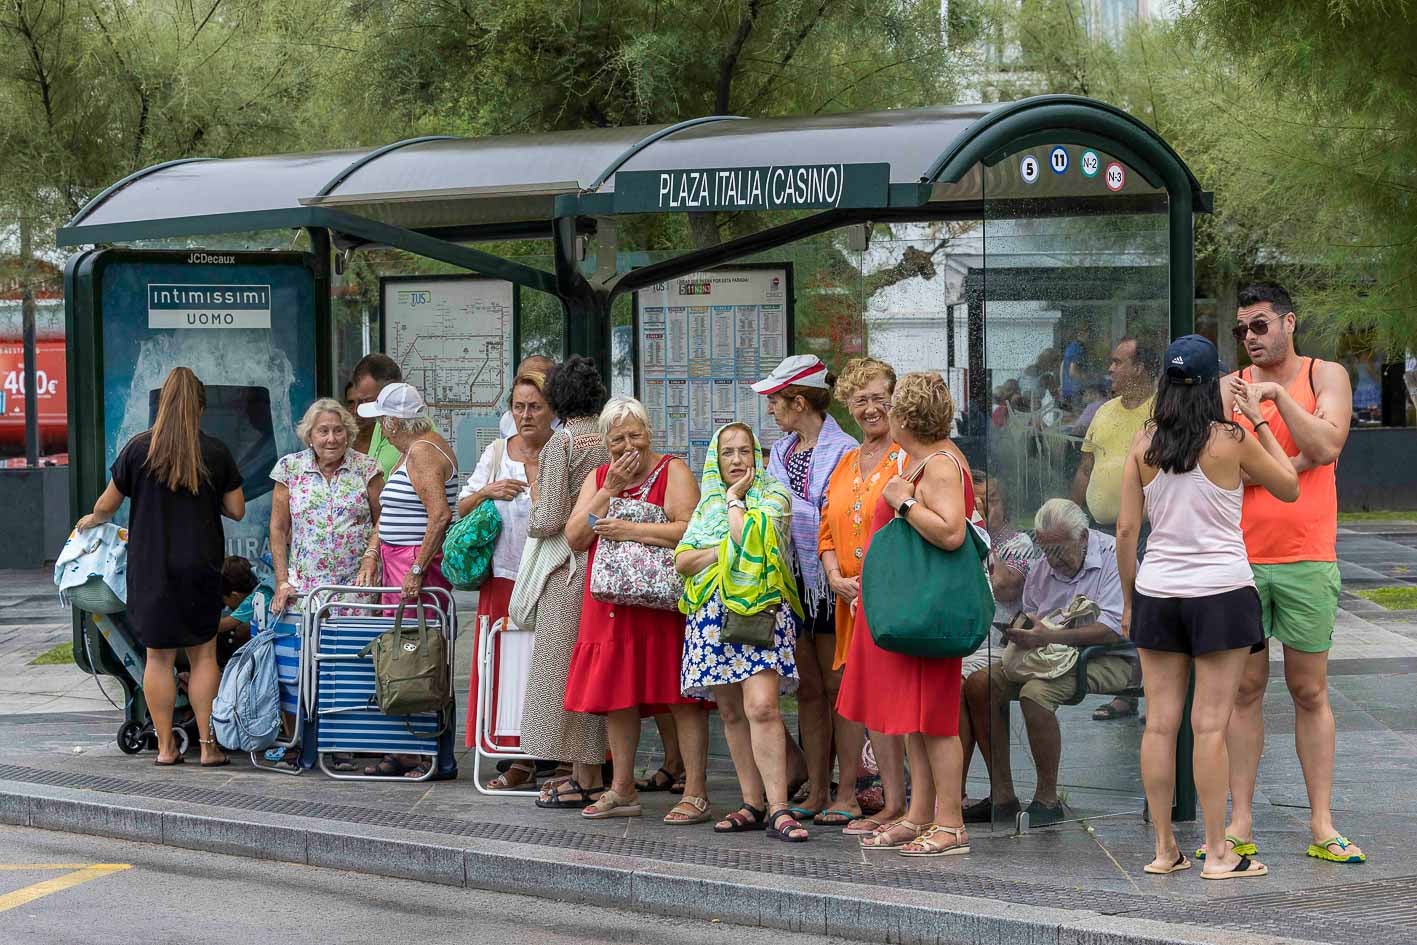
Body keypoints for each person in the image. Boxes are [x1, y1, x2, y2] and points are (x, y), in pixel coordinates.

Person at [1118, 334, 1298, 880]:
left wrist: (1129, 600)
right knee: (1212, 726)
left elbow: (1127, 530)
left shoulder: (1143, 442)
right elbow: (1288, 485)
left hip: (1158, 591)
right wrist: (1258, 419)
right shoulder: (1231, 439)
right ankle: (1219, 852)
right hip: (1221, 592)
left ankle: (1163, 848)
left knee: (1159, 725)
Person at [1217, 282, 1364, 865]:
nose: (1249, 338)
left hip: (1307, 556)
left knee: (1309, 689)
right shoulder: (1230, 388)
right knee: (1244, 691)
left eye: (1258, 326)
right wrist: (1283, 462)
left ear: (1288, 323)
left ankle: (1322, 824)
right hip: (1242, 560)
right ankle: (1240, 821)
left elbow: (1327, 444)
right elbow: (1226, 471)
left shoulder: (1325, 376)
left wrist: (1276, 399)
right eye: (1241, 330)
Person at [75, 367, 245, 768]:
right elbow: (236, 509)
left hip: (151, 569)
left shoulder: (138, 450)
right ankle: (208, 746)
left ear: (160, 406)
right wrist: (208, 498)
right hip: (200, 567)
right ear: (201, 407)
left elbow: (106, 506)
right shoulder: (215, 451)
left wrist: (92, 520)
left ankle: (167, 747)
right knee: (204, 656)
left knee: (159, 658)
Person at [836, 372, 975, 857]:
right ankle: (920, 814)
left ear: (905, 417)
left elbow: (951, 533)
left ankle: (951, 824)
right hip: (911, 608)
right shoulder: (921, 462)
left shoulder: (938, 464)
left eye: (891, 408)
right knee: (917, 718)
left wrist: (904, 500)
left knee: (936, 719)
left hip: (930, 614)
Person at [561, 397, 707, 822]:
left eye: (635, 435)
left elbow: (689, 529)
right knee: (617, 697)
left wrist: (631, 530)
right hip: (609, 603)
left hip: (661, 603)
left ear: (649, 432)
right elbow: (575, 535)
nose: (628, 446)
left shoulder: (672, 470)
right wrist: (608, 493)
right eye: (618, 439)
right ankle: (622, 788)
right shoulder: (600, 477)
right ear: (605, 444)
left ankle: (695, 791)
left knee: (680, 697)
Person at [961, 498, 1130, 827]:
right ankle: (1003, 795)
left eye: (1059, 550)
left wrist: (1049, 638)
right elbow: (1033, 610)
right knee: (981, 683)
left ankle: (1047, 797)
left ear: (1082, 538)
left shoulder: (1112, 555)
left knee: (1035, 693)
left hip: (1104, 654)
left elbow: (1113, 629)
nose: (1052, 560)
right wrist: (1022, 632)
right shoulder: (1044, 564)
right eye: (1046, 550)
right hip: (1046, 654)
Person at [676, 423, 805, 841]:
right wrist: (721, 551)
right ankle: (752, 803)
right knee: (730, 712)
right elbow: (682, 560)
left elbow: (747, 537)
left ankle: (780, 808)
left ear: (757, 456)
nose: (736, 460)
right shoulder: (705, 505)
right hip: (710, 618)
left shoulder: (774, 497)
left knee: (763, 707)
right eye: (727, 452)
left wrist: (735, 502)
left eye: (744, 451)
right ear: (716, 458)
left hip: (759, 614)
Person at [757, 354, 858, 825]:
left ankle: (848, 790)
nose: (772, 410)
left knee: (839, 683)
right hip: (793, 579)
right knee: (811, 688)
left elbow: (836, 516)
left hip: (832, 577)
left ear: (799, 402)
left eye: (777, 401)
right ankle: (817, 788)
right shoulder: (782, 452)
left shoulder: (844, 451)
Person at [816, 356, 905, 836]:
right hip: (847, 599)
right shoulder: (848, 458)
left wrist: (871, 579)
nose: (871, 409)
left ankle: (897, 803)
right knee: (860, 698)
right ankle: (867, 797)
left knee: (889, 699)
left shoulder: (906, 457)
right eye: (861, 400)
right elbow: (827, 527)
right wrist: (832, 575)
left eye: (879, 398)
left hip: (887, 596)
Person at [521, 355, 611, 810]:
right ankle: (587, 771)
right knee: (591, 670)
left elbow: (550, 518)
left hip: (570, 567)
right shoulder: (608, 437)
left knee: (565, 674)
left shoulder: (563, 444)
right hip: (607, 561)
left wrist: (534, 502)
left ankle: (585, 777)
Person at [459, 370, 555, 787]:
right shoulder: (498, 451)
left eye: (534, 406)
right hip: (503, 577)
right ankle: (517, 758)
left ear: (552, 410)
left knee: (552, 668)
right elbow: (462, 504)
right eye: (519, 406)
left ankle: (563, 757)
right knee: (507, 667)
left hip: (553, 578)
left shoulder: (562, 449)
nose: (526, 415)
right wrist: (489, 491)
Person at [1072, 337, 1158, 722]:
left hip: (1142, 529)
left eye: (1117, 362)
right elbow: (1086, 469)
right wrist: (1074, 517)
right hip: (1100, 527)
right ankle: (1125, 690)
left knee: (1141, 605)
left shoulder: (1159, 409)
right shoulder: (1104, 411)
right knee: (1111, 606)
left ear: (1139, 367)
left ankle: (1152, 689)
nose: (1110, 369)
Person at [269, 398, 384, 614]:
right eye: (323, 431)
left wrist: (371, 557)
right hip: (306, 588)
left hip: (357, 585)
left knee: (357, 647)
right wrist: (282, 580)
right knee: (309, 647)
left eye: (338, 431)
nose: (331, 439)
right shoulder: (290, 469)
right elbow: (278, 528)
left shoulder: (367, 468)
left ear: (347, 433)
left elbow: (383, 519)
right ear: (310, 436)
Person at [348, 354, 405, 477]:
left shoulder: (416, 428)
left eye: (367, 401)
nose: (358, 410)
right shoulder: (354, 431)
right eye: (357, 401)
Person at [216, 556, 272, 668]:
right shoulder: (263, 582)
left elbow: (221, 626)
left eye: (223, 599)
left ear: (234, 595)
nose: (225, 604)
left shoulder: (255, 599)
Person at [499, 355, 561, 438]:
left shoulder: (571, 426)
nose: (525, 415)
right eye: (527, 380)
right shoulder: (508, 420)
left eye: (540, 380)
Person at [345, 381, 375, 456]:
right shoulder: (339, 440)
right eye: (351, 403)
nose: (356, 411)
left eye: (362, 402)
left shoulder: (389, 437)